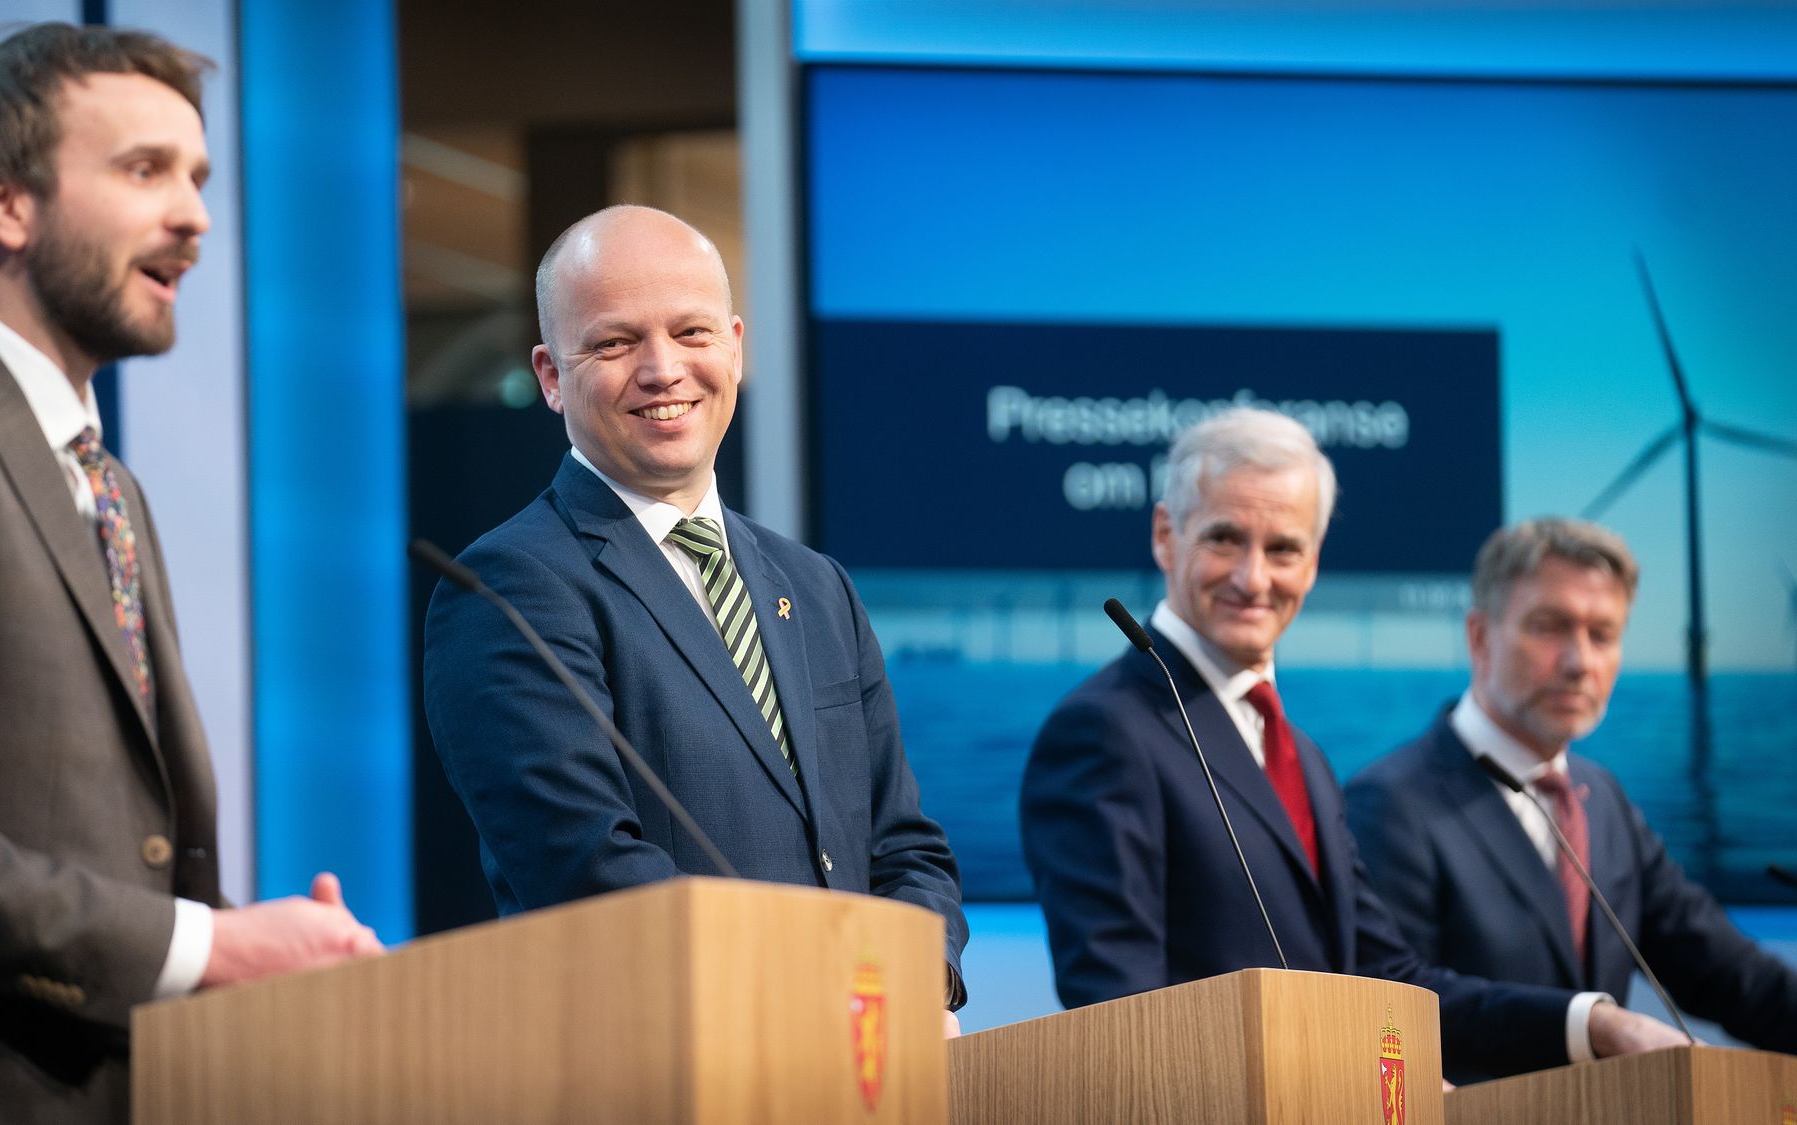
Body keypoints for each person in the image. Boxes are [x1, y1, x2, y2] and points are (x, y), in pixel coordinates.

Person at [0, 24, 382, 1124]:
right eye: (144, 170)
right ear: (4, 206)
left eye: (198, 177)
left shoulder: (108, 481)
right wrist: (208, 945)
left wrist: (261, 950)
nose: (196, 217)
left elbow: (107, 857)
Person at [1019, 407, 1686, 1082]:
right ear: (1167, 534)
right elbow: (1119, 1014)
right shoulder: (1104, 730)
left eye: (1283, 548)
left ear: (1313, 562)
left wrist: (1594, 1023)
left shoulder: (1301, 755)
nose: (1254, 578)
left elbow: (1385, 978)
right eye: (1225, 538)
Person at [422, 205, 967, 1017]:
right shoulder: (510, 589)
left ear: (736, 347)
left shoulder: (816, 585)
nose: (662, 369)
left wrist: (918, 981)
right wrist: (825, 994)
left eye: (692, 332)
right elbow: (590, 875)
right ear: (548, 375)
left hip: (866, 1071)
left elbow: (905, 848)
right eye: (614, 342)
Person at [1346, 518, 1797, 1059]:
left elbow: (1725, 971)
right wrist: (1592, 1026)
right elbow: (1392, 1005)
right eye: (1549, 627)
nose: (1579, 662)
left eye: (1602, 635)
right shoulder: (1389, 802)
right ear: (1480, 637)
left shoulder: (1599, 795)